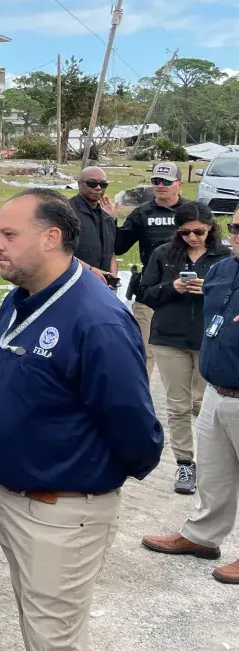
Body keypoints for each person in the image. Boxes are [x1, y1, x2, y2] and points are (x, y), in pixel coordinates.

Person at [0, 189, 163, 651]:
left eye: (8, 234)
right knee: (41, 636)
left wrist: (87, 480)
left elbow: (134, 425)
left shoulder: (95, 318)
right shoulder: (22, 299)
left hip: (60, 510)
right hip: (15, 498)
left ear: (51, 237)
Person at [142, 216, 239, 584]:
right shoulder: (222, 270)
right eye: (234, 228)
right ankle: (202, 536)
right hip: (218, 389)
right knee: (214, 473)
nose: (237, 236)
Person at [136, 202, 228, 495]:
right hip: (168, 338)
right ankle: (185, 462)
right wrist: (172, 288)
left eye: (199, 231)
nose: (192, 237)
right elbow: (145, 294)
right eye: (185, 232)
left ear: (211, 228)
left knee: (205, 404)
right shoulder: (164, 254)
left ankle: (214, 460)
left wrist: (210, 291)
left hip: (210, 339)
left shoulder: (226, 257)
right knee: (178, 405)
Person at [116, 162, 192, 377]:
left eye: (166, 181)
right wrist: (110, 220)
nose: (160, 185)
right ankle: (140, 403)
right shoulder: (142, 212)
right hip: (151, 290)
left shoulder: (191, 211)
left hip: (187, 291)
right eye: (156, 181)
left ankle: (190, 409)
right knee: (144, 352)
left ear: (179, 184)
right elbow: (119, 247)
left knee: (189, 352)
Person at [68, 166, 118, 287]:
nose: (98, 188)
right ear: (80, 184)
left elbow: (111, 254)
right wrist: (91, 271)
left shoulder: (107, 217)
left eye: (103, 184)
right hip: (72, 284)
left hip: (101, 288)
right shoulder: (66, 212)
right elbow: (58, 254)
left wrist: (112, 276)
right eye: (92, 183)